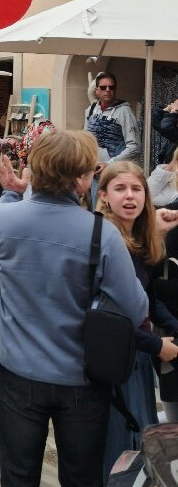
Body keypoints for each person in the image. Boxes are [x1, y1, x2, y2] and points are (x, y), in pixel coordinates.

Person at [0, 131, 148, 487]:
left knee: (17, 475)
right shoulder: (101, 233)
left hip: (18, 371)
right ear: (83, 180)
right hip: (81, 377)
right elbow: (136, 310)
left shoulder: (3, 219)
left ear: (35, 169)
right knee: (81, 477)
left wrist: (12, 191)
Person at [96, 162, 178, 481]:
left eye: (136, 189)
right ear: (103, 195)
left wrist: (171, 328)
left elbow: (149, 298)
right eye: (120, 189)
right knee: (121, 445)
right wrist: (158, 345)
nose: (129, 196)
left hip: (138, 359)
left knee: (139, 442)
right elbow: (108, 318)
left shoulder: (138, 239)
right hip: (118, 361)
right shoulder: (107, 241)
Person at [85, 71, 141, 170]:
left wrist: (110, 163)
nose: (107, 90)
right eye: (103, 87)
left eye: (111, 87)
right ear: (97, 90)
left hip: (115, 171)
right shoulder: (91, 109)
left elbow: (134, 147)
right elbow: (84, 140)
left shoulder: (125, 111)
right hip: (93, 171)